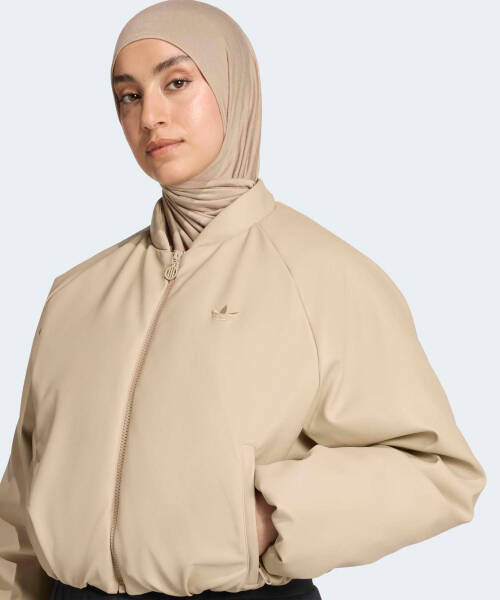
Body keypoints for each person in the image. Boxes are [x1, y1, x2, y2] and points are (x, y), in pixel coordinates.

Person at [0, 1, 487, 599]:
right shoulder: (77, 293)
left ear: (235, 86)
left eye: (177, 83)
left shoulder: (322, 276)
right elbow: (20, 506)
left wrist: (270, 517)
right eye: (128, 95)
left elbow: (438, 473)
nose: (150, 115)